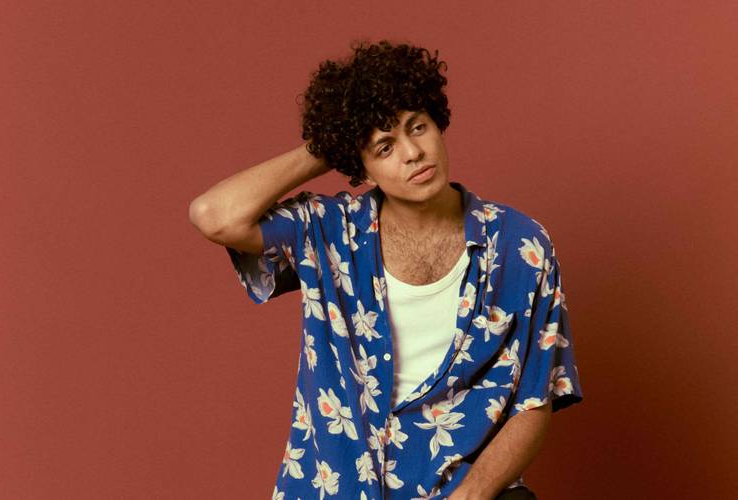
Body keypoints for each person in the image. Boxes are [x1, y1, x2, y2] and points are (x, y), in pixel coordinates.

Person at [189, 39, 583, 500]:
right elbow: (215, 216)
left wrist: (473, 494)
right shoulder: (330, 231)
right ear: (361, 166)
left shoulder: (520, 245)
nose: (412, 152)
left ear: (438, 124)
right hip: (338, 486)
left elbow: (534, 401)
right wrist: (331, 143)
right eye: (384, 146)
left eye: (418, 127)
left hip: (462, 488)